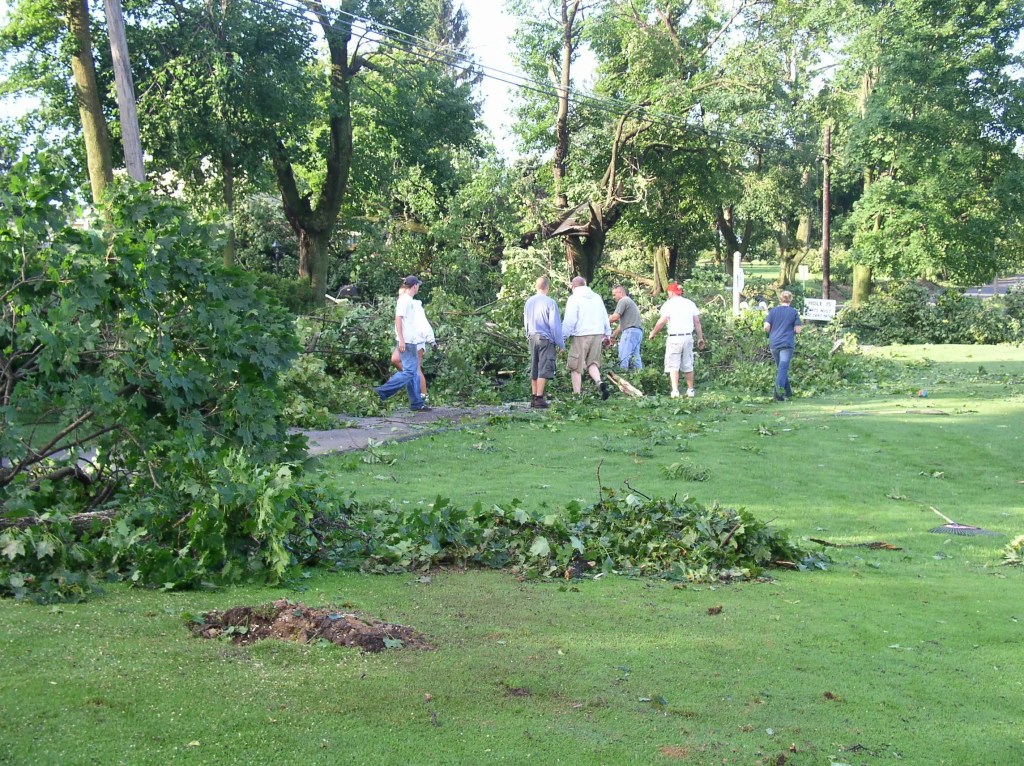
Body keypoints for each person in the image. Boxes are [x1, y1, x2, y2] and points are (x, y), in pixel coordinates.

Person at [375, 276, 430, 412]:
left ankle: (416, 403)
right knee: (410, 371)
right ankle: (381, 392)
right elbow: (398, 319)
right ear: (415, 286)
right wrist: (401, 339)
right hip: (407, 341)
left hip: (412, 341)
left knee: (412, 373)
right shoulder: (404, 300)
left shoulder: (409, 301)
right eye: (418, 285)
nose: (418, 287)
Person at [648, 281, 705, 398]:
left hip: (674, 337)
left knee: (673, 364)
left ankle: (675, 391)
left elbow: (662, 321)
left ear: (671, 292)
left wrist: (653, 333)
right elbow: (697, 322)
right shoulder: (690, 303)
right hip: (688, 336)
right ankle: (690, 390)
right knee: (688, 363)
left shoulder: (668, 304)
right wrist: (700, 338)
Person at [561, 276, 612, 399]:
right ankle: (599, 382)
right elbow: (605, 316)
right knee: (592, 363)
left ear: (573, 286)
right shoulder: (597, 297)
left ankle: (577, 395)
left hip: (581, 335)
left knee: (575, 366)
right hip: (597, 334)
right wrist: (608, 334)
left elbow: (570, 320)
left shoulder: (574, 298)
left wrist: (562, 337)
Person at [523, 276, 565, 409]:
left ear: (536, 287)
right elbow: (554, 325)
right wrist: (560, 343)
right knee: (544, 366)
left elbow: (526, 321)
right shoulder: (550, 302)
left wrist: (528, 334)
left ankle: (534, 396)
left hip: (532, 336)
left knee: (534, 366)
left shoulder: (529, 301)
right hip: (545, 338)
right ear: (547, 287)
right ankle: (540, 398)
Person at [390, 286, 436, 399]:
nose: (401, 297)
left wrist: (431, 340)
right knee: (395, 359)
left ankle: (424, 395)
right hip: (405, 341)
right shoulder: (402, 305)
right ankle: (411, 380)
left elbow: (423, 323)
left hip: (416, 341)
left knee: (416, 369)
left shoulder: (414, 306)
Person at [763, 290, 802, 401]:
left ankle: (788, 393)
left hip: (774, 343)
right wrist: (793, 330)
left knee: (781, 368)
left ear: (780, 299)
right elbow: (798, 330)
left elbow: (766, 326)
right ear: (791, 299)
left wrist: (771, 332)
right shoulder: (793, 312)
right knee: (782, 369)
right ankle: (778, 395)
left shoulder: (773, 311)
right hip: (786, 343)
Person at [609, 284, 643, 371]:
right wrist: (613, 335)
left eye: (614, 294)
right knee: (635, 357)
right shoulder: (630, 302)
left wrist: (602, 322)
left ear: (620, 292)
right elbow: (622, 325)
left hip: (630, 332)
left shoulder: (623, 300)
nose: (613, 297)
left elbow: (615, 317)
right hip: (637, 332)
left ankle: (622, 376)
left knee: (623, 356)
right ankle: (640, 376)